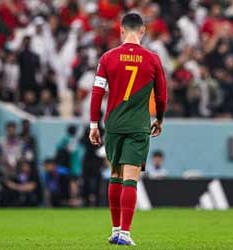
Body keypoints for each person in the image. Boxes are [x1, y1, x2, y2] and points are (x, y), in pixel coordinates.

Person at [89, 13, 167, 246]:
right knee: (131, 178)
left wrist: (94, 124)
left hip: (113, 124)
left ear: (121, 31)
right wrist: (159, 119)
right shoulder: (152, 59)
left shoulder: (108, 57)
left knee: (115, 174)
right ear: (143, 31)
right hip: (138, 126)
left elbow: (97, 92)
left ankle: (115, 230)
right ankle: (124, 232)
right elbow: (161, 96)